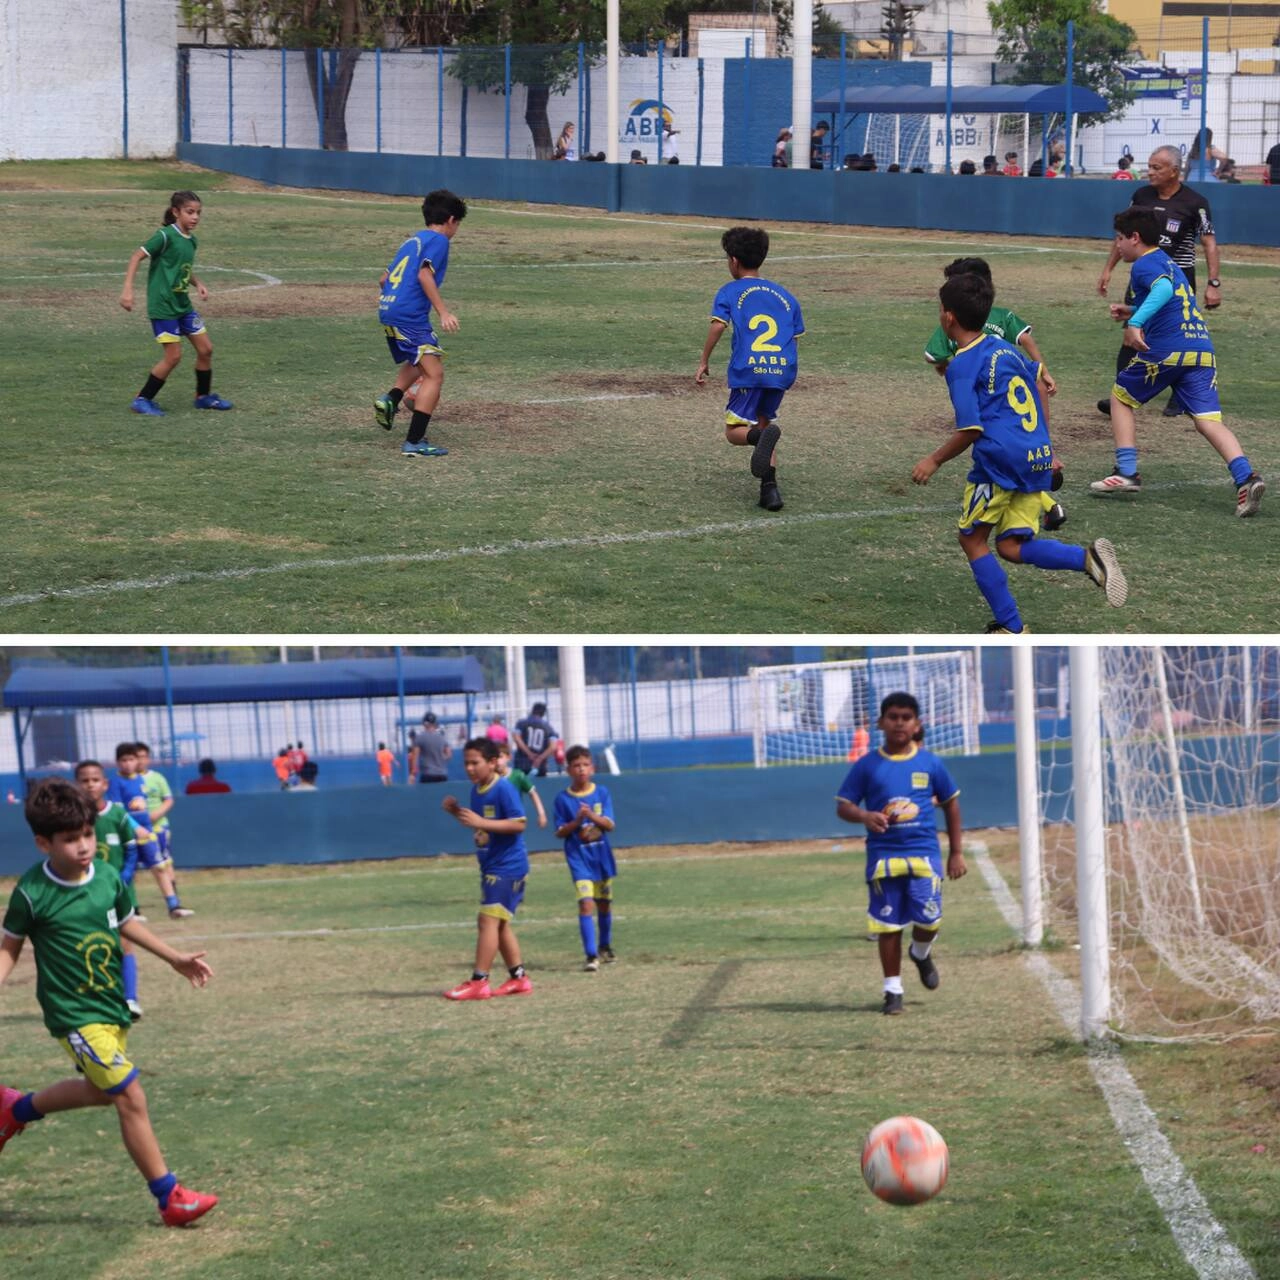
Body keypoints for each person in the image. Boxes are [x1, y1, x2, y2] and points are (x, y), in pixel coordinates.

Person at [0, 778, 217, 1226]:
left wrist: (174, 957)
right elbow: (9, 947)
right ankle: (170, 1197)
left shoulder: (106, 878)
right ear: (43, 843)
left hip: (110, 1008)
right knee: (129, 1094)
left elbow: (126, 922)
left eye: (87, 834)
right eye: (70, 838)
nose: (83, 846)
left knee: (100, 1092)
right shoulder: (31, 892)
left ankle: (14, 1109)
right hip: (73, 1015)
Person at [910, 270, 1128, 634]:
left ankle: (1011, 627)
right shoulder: (1005, 349)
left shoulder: (962, 365)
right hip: (1035, 457)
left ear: (948, 317)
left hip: (999, 462)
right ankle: (1087, 559)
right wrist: (1045, 443)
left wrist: (933, 460)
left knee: (972, 539)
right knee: (1011, 546)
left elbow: (970, 429)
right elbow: (1039, 382)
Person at [1090, 207, 1265, 519]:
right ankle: (1246, 478)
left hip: (1169, 348)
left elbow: (1163, 290)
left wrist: (1135, 323)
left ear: (1134, 237)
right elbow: (1175, 301)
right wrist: (1132, 311)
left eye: (1119, 238)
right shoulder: (1168, 262)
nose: (1117, 245)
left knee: (1120, 398)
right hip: (1201, 349)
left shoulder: (1144, 264)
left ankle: (1127, 472)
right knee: (1207, 421)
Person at [834, 693, 965, 1015]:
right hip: (883, 855)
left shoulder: (931, 763)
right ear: (881, 722)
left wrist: (956, 853)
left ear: (917, 724)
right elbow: (844, 806)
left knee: (929, 919)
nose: (899, 723)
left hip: (924, 852)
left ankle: (920, 952)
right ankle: (892, 990)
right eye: (893, 717)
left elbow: (951, 805)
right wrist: (864, 816)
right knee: (887, 924)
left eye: (906, 718)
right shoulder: (867, 765)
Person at [923, 257, 1067, 532]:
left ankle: (1042, 502)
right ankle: (1049, 497)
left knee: (974, 534)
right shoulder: (1001, 318)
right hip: (1023, 408)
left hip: (994, 414)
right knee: (1022, 453)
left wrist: (947, 368)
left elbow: (933, 356)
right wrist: (1043, 370)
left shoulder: (955, 328)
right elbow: (1026, 340)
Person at [1096, 145, 1221, 418]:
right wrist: (1108, 269)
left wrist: (1213, 283)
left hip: (1179, 277)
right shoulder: (1141, 196)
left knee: (1176, 333)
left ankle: (1180, 397)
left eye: (1156, 167)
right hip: (1144, 276)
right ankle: (1123, 391)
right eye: (1150, 166)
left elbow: (1209, 243)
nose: (1149, 172)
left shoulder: (1195, 202)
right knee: (1131, 336)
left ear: (1174, 171)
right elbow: (1124, 234)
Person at [695, 225, 805, 514]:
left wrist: (704, 360)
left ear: (733, 261)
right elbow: (794, 336)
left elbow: (718, 325)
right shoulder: (785, 295)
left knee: (735, 431)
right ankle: (770, 491)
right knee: (765, 423)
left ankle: (757, 438)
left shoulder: (730, 291)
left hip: (749, 370)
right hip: (781, 371)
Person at [119, 189, 233, 417]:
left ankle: (202, 397)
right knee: (173, 357)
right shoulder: (164, 236)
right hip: (164, 307)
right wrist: (127, 290)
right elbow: (136, 256)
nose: (195, 217)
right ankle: (142, 400)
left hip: (183, 306)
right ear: (176, 212)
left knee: (206, 349)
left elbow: (182, 269)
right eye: (190, 212)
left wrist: (197, 283)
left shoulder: (192, 241)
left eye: (198, 213)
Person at [372, 189, 466, 458]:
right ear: (451, 220)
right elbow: (425, 275)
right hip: (408, 315)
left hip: (389, 309)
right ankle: (414, 442)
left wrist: (395, 301)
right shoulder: (439, 241)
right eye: (458, 224)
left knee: (422, 359)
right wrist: (443, 312)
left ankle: (391, 398)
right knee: (435, 374)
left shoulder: (412, 241)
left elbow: (383, 279)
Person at [440, 739, 534, 1001]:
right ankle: (519, 978)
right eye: (466, 763)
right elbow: (480, 825)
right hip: (491, 865)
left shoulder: (503, 788)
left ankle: (479, 981)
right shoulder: (477, 790)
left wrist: (482, 821)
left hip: (508, 866)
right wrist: (456, 812)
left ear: (492, 762)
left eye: (475, 762)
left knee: (487, 921)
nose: (469, 768)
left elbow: (519, 824)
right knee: (499, 925)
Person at [76, 760, 145, 1019]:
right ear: (76, 785)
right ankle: (93, 998)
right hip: (84, 895)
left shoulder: (117, 815)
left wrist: (124, 878)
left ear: (105, 784)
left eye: (95, 780)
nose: (90, 785)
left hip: (118, 893)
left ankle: (130, 999)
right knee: (88, 945)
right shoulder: (74, 817)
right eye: (84, 780)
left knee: (125, 943)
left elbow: (131, 850)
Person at [554, 746, 618, 972]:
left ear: (592, 768)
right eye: (576, 765)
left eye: (585, 765)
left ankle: (604, 946)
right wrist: (576, 821)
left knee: (604, 904)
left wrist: (591, 815)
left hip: (601, 858)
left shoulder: (602, 793)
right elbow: (560, 831)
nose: (581, 769)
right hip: (579, 859)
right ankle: (591, 955)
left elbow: (610, 824)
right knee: (585, 904)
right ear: (568, 770)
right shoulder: (563, 799)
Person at [110, 743, 192, 920]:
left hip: (147, 833)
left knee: (159, 867)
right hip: (128, 834)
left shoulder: (141, 780)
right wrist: (135, 827)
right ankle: (131, 910)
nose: (128, 764)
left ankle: (174, 906)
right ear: (117, 762)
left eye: (131, 759)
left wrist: (146, 825)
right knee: (129, 872)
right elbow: (118, 811)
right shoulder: (115, 783)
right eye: (123, 760)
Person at [135, 742, 180, 905]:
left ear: (148, 759)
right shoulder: (127, 781)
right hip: (137, 829)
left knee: (165, 861)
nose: (140, 761)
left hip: (158, 826)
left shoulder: (157, 778)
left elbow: (168, 800)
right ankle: (130, 902)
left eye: (143, 757)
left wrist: (156, 814)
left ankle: (173, 896)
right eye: (136, 757)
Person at [496, 742, 548, 830]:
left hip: (513, 820)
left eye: (500, 757)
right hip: (495, 821)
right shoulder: (490, 778)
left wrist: (541, 814)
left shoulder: (517, 775)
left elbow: (533, 793)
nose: (497, 761)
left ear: (509, 757)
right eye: (494, 758)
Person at [512, 702, 559, 778]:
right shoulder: (548, 727)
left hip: (522, 762)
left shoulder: (521, 723)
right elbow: (553, 746)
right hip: (540, 766)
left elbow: (516, 738)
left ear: (532, 710)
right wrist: (540, 758)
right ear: (543, 714)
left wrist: (529, 753)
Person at [409, 712, 452, 784]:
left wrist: (412, 774)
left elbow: (415, 757)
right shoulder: (442, 738)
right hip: (442, 775)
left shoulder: (420, 738)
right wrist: (440, 758)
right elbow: (449, 755)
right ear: (435, 724)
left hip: (427, 775)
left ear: (425, 723)